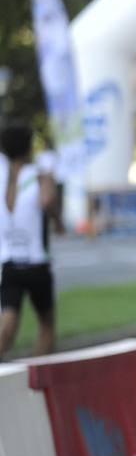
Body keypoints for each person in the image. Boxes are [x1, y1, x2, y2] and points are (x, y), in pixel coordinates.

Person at [0, 121, 59, 358]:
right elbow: (47, 202)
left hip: (10, 261)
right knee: (46, 323)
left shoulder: (3, 174)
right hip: (36, 262)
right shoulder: (37, 175)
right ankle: (39, 371)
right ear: (28, 148)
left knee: (8, 321)